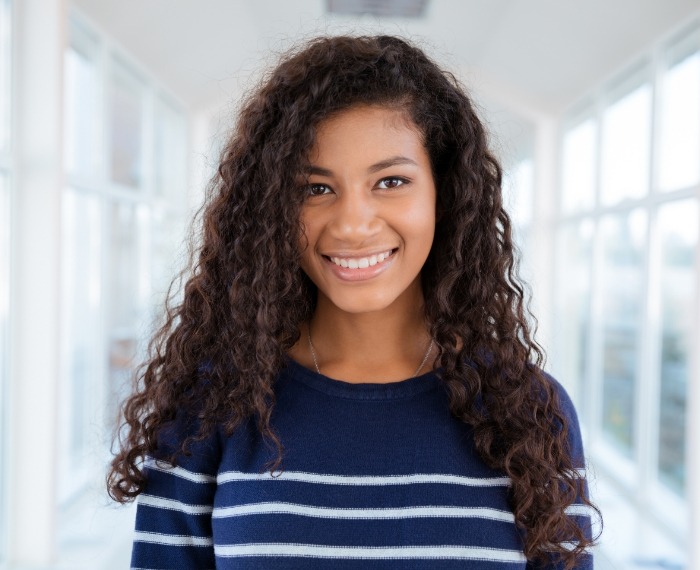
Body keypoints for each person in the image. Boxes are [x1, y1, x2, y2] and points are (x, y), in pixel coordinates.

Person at [108, 35, 598, 569]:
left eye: (390, 181)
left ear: (446, 195)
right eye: (315, 189)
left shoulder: (529, 412)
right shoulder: (209, 408)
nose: (352, 224)